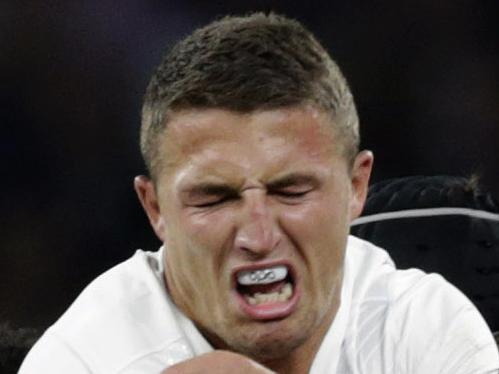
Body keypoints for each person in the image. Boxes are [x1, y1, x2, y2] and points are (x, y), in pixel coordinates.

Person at [19, 13, 499, 374]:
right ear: (156, 208)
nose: (258, 234)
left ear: (357, 186)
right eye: (215, 198)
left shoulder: (423, 332)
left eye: (291, 190)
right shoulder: (83, 359)